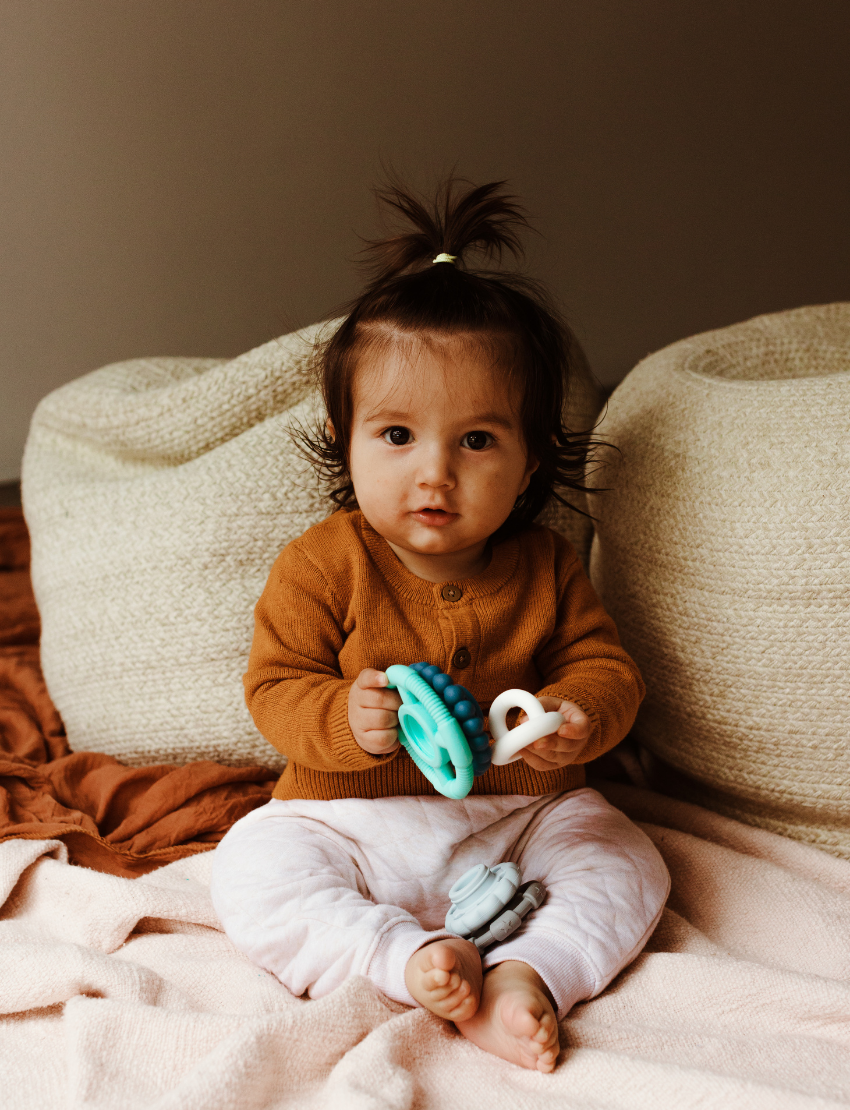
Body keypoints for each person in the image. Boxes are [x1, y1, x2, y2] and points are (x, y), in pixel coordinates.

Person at [210, 179, 669, 1073]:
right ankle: (406, 959)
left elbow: (607, 669)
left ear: (532, 457)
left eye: (477, 441)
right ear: (345, 438)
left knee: (630, 858)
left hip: (517, 819)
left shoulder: (545, 564)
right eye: (396, 436)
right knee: (250, 869)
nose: (435, 474)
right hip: (349, 823)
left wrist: (575, 715)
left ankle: (533, 973)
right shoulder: (321, 562)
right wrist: (346, 718)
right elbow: (273, 687)